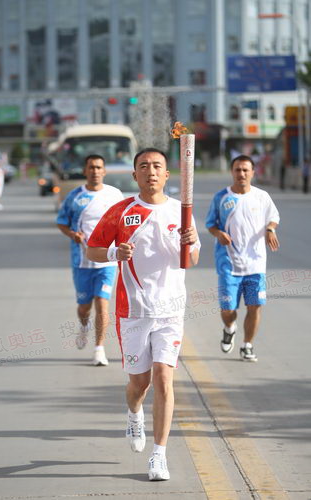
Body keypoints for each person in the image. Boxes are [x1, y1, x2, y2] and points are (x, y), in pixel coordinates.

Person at [87, 148, 200, 481]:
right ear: (134, 175)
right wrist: (113, 252)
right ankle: (134, 411)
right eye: (144, 167)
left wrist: (191, 243)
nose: (151, 171)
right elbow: (92, 248)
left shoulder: (182, 212)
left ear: (168, 174)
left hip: (170, 310)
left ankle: (159, 455)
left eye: (157, 166)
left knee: (164, 378)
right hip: (133, 311)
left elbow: (189, 262)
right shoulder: (121, 211)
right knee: (140, 383)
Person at [205, 154, 280, 362]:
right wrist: (218, 234)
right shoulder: (221, 197)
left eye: (246, 170)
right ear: (232, 172)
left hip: (255, 263)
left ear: (253, 172)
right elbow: (211, 223)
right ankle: (229, 327)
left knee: (255, 306)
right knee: (228, 309)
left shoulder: (262, 197)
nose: (242, 174)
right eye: (238, 170)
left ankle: (247, 345)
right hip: (228, 263)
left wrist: (270, 230)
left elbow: (273, 218)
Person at [56, 154, 123, 366]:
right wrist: (72, 235)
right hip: (82, 262)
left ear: (104, 171)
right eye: (91, 167)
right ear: (85, 171)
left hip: (108, 260)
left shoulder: (115, 195)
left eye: (99, 167)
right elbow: (61, 222)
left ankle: (99, 349)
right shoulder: (75, 196)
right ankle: (84, 325)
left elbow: (123, 223)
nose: (95, 171)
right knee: (84, 307)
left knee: (102, 304)